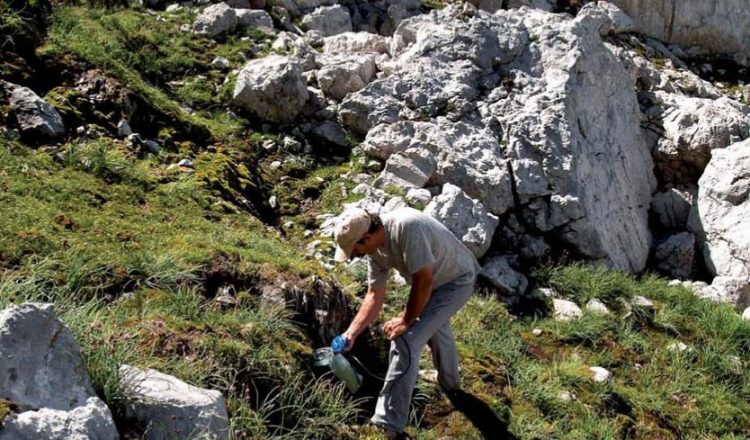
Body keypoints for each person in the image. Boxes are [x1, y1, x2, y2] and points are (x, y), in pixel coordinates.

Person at [333, 206, 480, 438]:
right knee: (435, 328)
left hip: (456, 281)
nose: (355, 256)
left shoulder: (407, 227)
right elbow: (374, 294)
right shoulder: (375, 250)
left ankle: (386, 424)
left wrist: (405, 320)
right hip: (433, 283)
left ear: (367, 236)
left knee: (405, 340)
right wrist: (350, 333)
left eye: (355, 250)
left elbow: (423, 281)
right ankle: (450, 384)